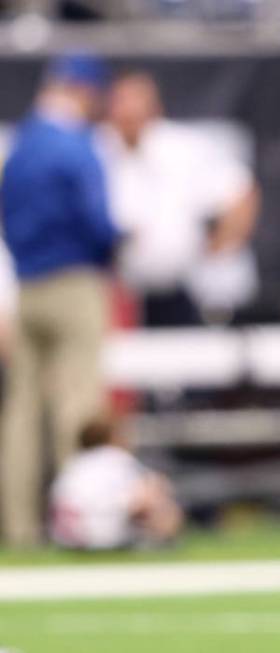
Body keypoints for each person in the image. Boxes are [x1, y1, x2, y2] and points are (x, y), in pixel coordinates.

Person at [0, 53, 120, 548]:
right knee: (77, 402)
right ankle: (81, 518)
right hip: (73, 282)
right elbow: (98, 223)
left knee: (22, 412)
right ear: (83, 91)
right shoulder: (76, 146)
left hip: (28, 286)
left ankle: (18, 527)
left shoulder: (20, 146)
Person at [100, 70, 261, 326]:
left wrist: (216, 251)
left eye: (136, 103)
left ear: (154, 107)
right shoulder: (97, 150)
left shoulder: (183, 148)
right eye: (122, 102)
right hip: (120, 295)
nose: (129, 112)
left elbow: (241, 194)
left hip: (185, 291)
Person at [49, 416, 184, 550]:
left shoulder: (75, 462)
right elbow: (151, 489)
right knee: (159, 498)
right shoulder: (116, 458)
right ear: (113, 437)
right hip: (103, 535)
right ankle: (158, 542)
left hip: (66, 537)